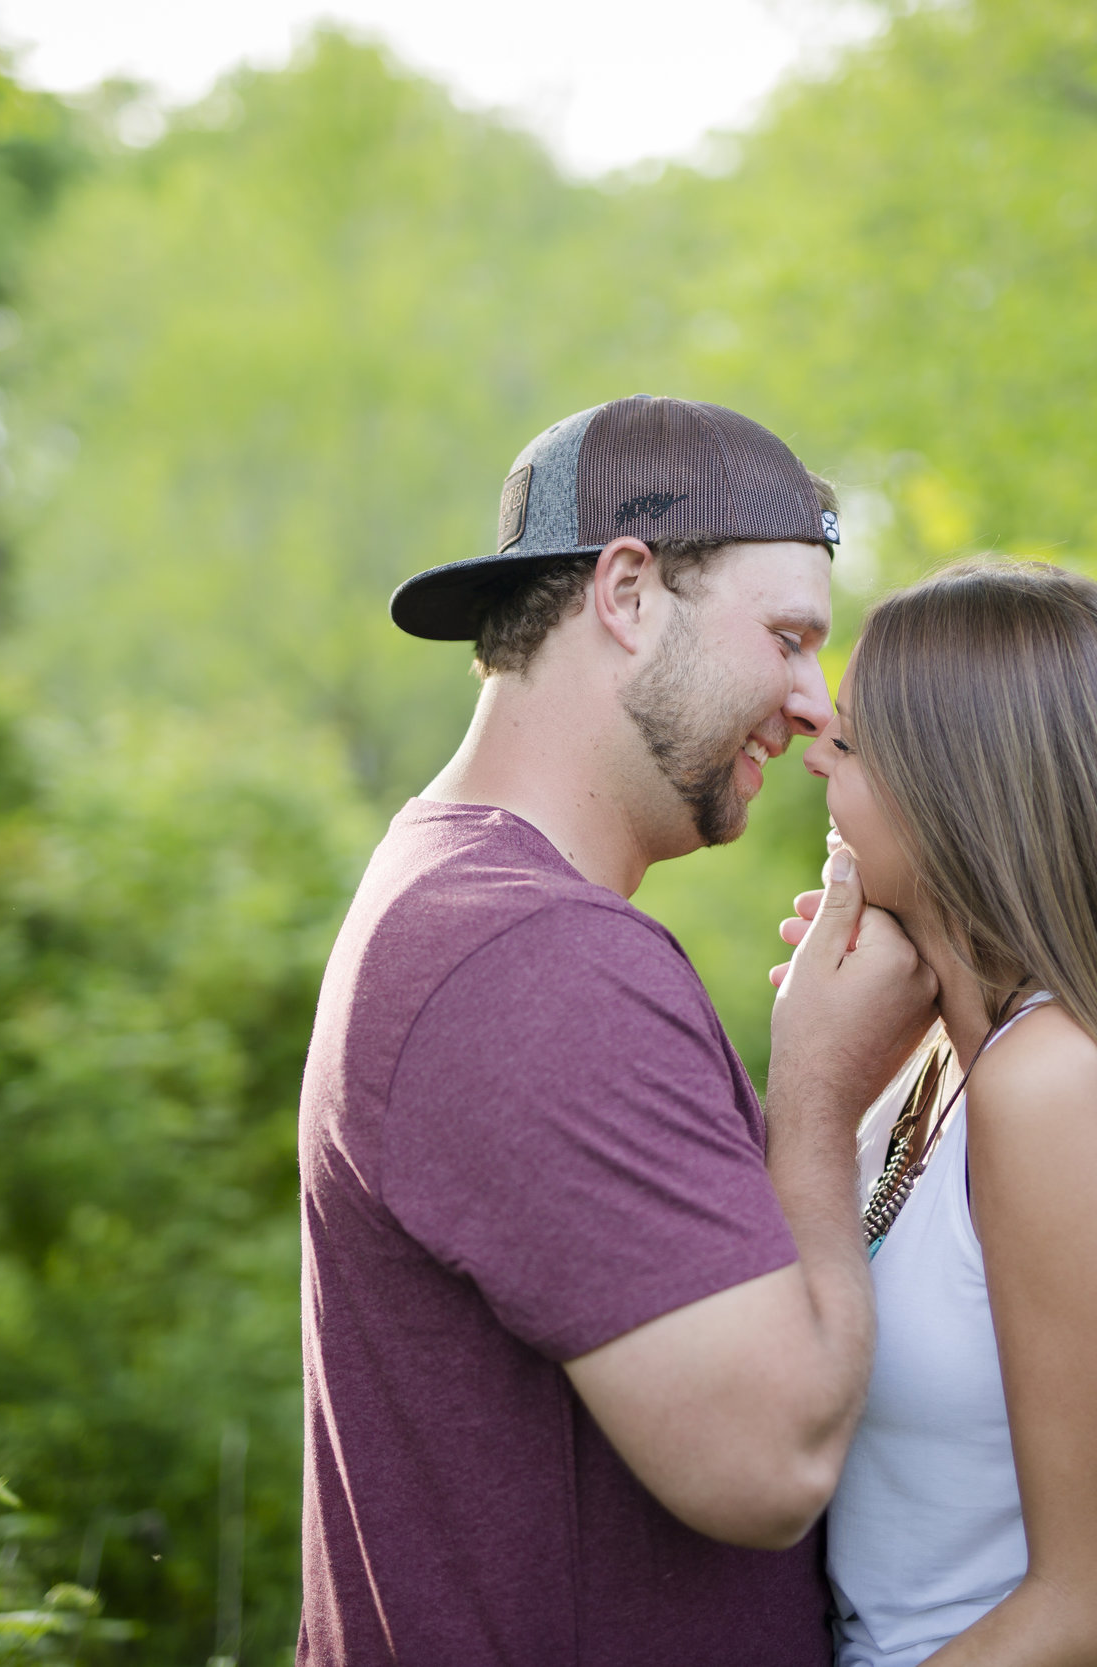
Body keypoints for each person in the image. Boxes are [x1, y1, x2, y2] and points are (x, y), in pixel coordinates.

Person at [296, 395, 938, 1665]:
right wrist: (813, 1090)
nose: (818, 702)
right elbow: (771, 1459)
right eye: (790, 637)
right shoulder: (534, 957)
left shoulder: (454, 893)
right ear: (630, 594)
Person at [776, 560, 1097, 1667]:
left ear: (960, 797)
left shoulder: (1053, 1088)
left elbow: (1094, 1604)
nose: (816, 744)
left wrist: (808, 1085)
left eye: (856, 743)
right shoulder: (939, 1063)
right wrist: (837, 1066)